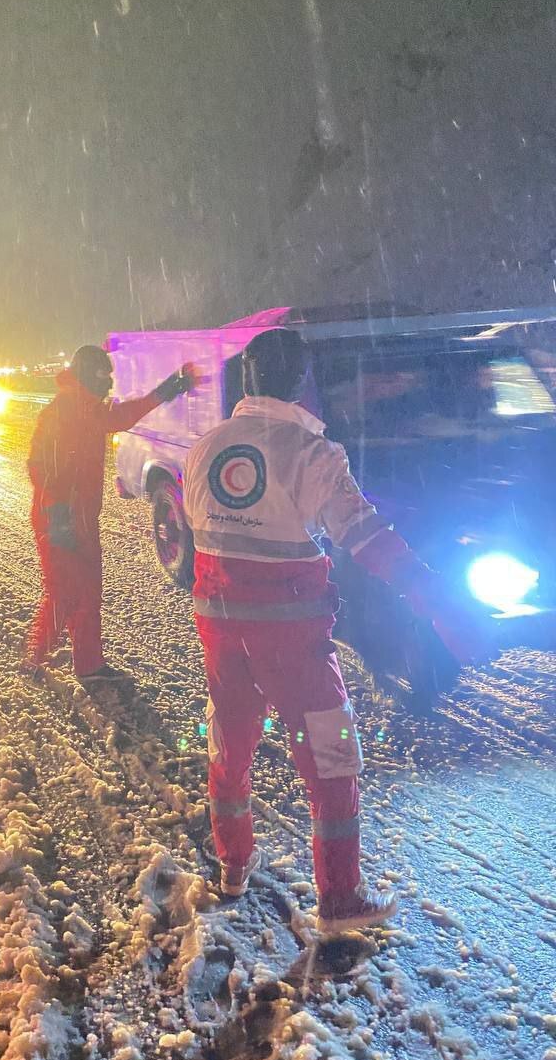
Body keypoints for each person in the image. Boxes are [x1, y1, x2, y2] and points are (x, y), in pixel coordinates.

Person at [183, 328, 488, 932]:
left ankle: (233, 867)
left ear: (247, 381)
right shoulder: (312, 454)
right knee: (333, 759)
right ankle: (341, 901)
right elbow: (368, 539)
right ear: (302, 384)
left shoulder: (204, 448)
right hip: (293, 641)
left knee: (230, 741)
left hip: (219, 630)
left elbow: (208, 541)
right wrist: (438, 600)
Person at [26, 344, 196, 681]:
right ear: (87, 376)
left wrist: (166, 390)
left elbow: (122, 416)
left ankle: (89, 665)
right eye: (104, 376)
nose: (108, 383)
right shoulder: (62, 412)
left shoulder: (88, 409)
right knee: (63, 591)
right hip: (58, 517)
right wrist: (58, 515)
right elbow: (40, 466)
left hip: (82, 519)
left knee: (89, 589)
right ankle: (33, 658)